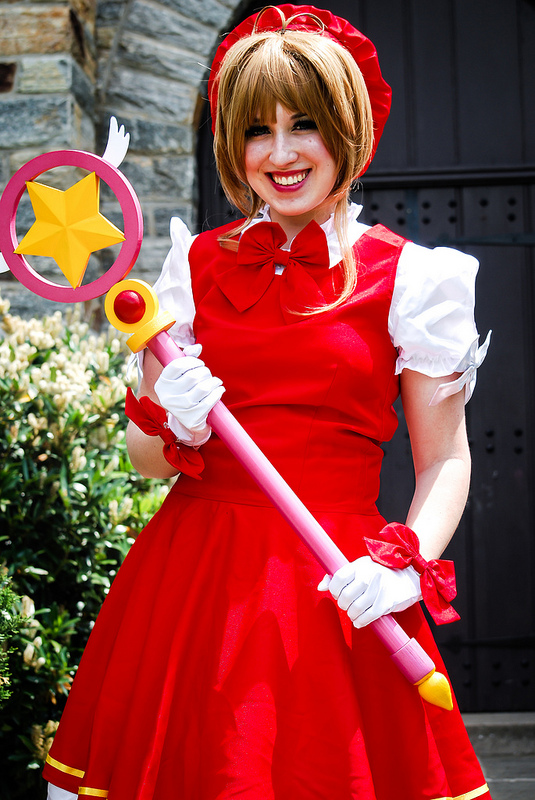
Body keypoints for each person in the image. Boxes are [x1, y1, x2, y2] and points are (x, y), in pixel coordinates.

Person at [44, 5, 492, 799]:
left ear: (347, 129)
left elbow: (445, 461)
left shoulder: (414, 281)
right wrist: (175, 420)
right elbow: (145, 462)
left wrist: (405, 565)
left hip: (336, 584)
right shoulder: (191, 269)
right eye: (257, 131)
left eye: (304, 125)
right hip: (194, 588)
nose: (279, 154)